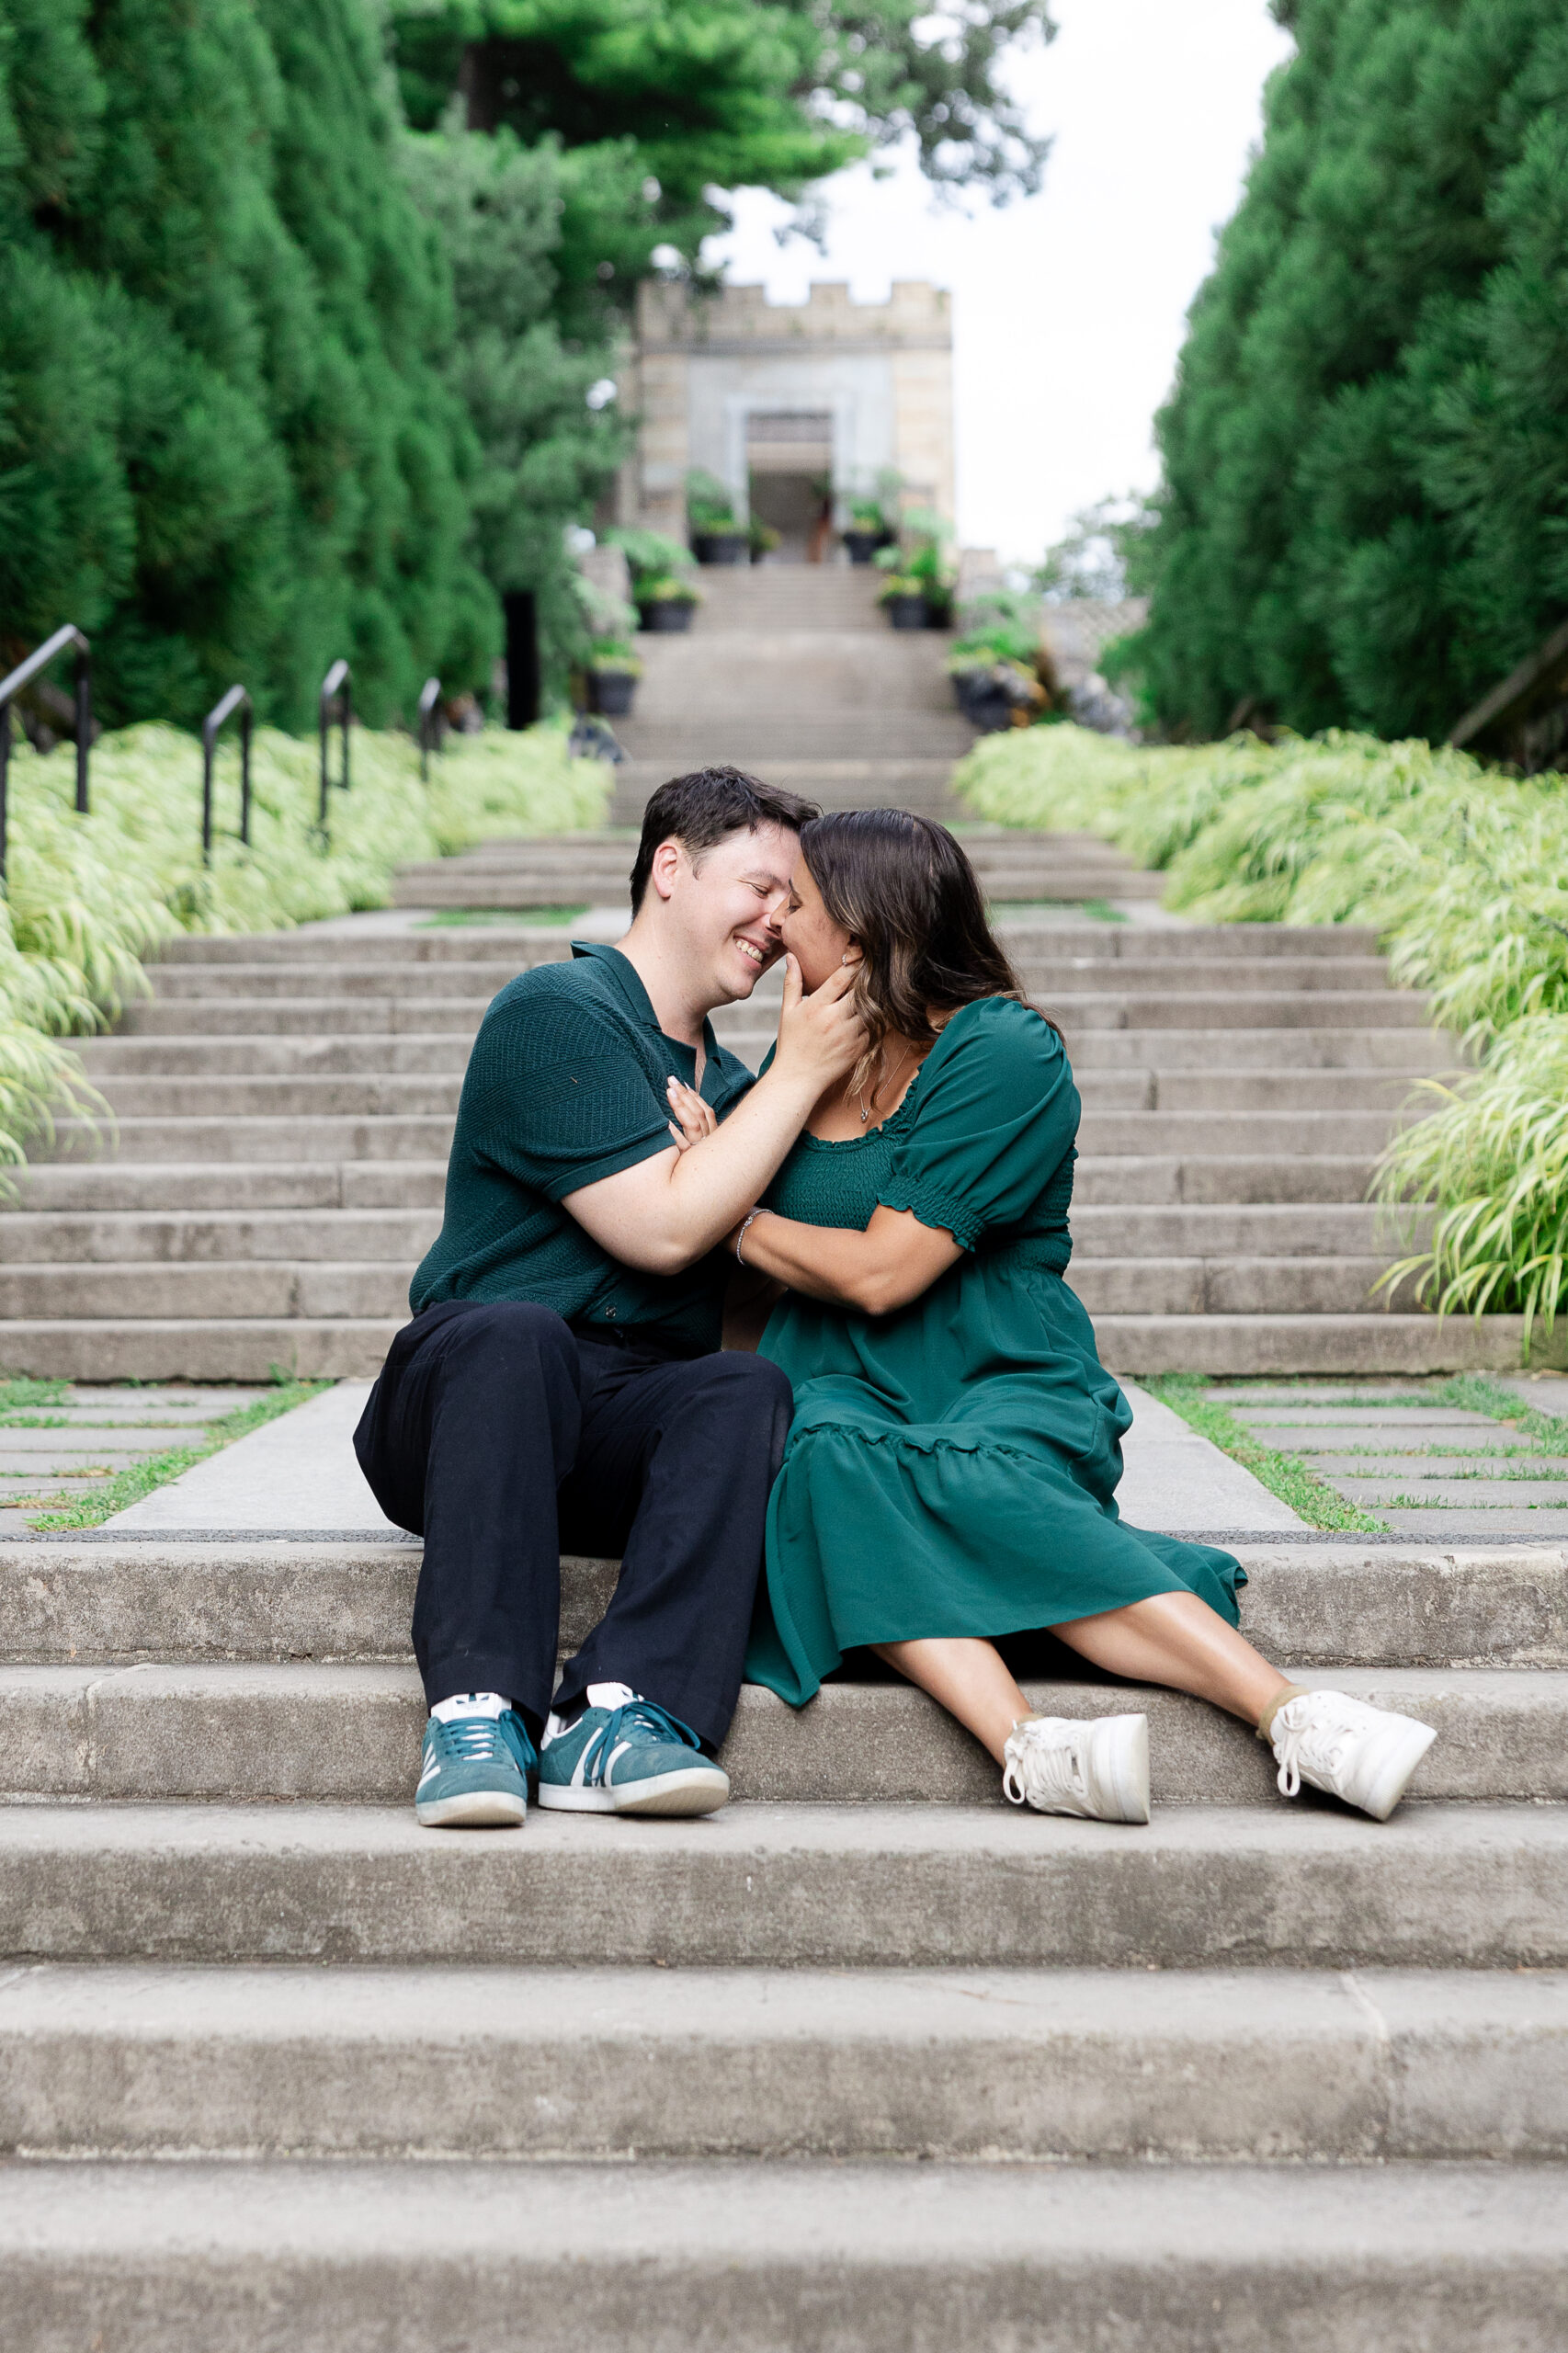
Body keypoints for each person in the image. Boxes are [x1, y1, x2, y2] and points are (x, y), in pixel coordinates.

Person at [669, 809, 1437, 1826]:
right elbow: (756, 1295)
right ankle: (1031, 1747)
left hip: (994, 1372)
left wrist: (726, 1210)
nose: (771, 921)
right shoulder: (801, 1062)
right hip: (840, 1384)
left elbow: (883, 1272)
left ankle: (1291, 1713)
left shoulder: (1001, 1050)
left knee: (968, 1488)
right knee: (821, 1461)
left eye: (793, 901)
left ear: (859, 929)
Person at [354, 767, 867, 1830]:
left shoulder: (731, 1096)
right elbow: (665, 1227)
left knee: (739, 1387)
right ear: (670, 866)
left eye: (792, 902)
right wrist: (797, 1077)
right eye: (761, 885)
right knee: (519, 1334)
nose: (777, 921)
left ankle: (617, 1713)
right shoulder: (557, 1010)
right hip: (469, 1398)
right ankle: (476, 1711)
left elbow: (729, 1301)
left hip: (615, 1422)